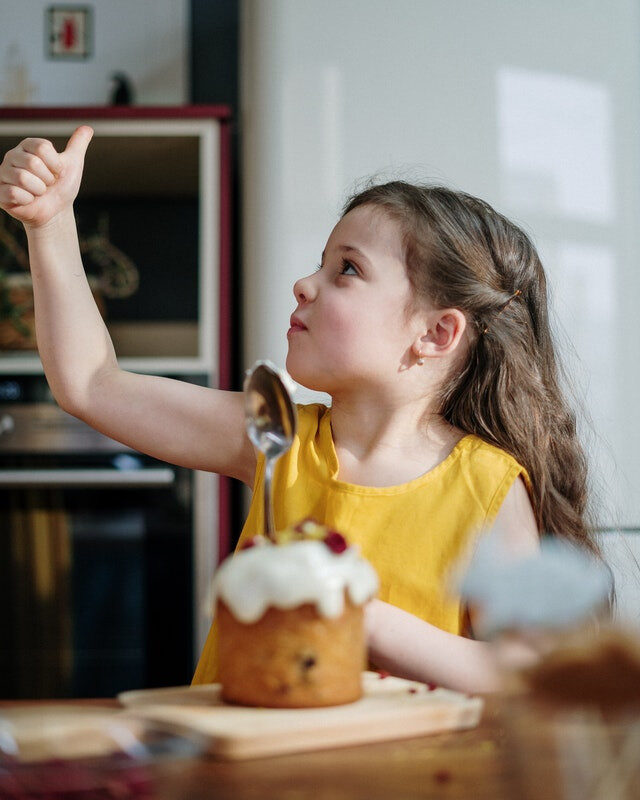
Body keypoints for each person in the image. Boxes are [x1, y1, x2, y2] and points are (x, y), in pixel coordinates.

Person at [0, 127, 600, 693]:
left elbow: (522, 672)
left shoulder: (487, 488)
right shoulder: (274, 438)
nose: (304, 283)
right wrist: (50, 225)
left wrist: (358, 618)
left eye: (347, 269)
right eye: (321, 262)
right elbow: (90, 384)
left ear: (438, 334)